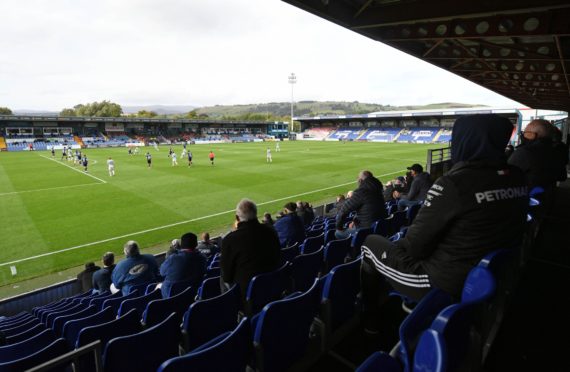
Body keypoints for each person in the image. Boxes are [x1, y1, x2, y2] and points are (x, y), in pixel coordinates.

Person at [360, 114, 529, 332]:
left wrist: (395, 250)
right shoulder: (517, 176)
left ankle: (370, 320)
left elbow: (414, 247)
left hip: (443, 282)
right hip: (486, 274)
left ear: (465, 140)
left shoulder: (454, 184)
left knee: (370, 243)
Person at [220, 199, 281, 303]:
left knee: (222, 278)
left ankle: (230, 308)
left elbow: (227, 276)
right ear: (256, 214)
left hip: (248, 295)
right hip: (273, 285)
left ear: (237, 218)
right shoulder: (270, 230)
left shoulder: (230, 239)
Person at [509, 119, 566, 192]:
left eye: (526, 132)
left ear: (532, 135)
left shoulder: (524, 152)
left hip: (527, 196)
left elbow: (508, 175)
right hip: (549, 197)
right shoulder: (557, 151)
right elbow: (562, 176)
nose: (523, 135)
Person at [335, 170, 387, 239]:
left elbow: (343, 211)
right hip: (380, 227)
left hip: (366, 231)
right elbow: (367, 208)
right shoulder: (378, 188)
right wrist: (354, 220)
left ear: (360, 180)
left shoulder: (361, 192)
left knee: (337, 233)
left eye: (358, 178)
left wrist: (339, 227)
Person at [159, 232, 207, 298]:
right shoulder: (202, 258)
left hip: (171, 296)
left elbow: (162, 272)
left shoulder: (173, 258)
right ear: (196, 244)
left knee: (157, 287)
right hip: (192, 294)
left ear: (182, 245)